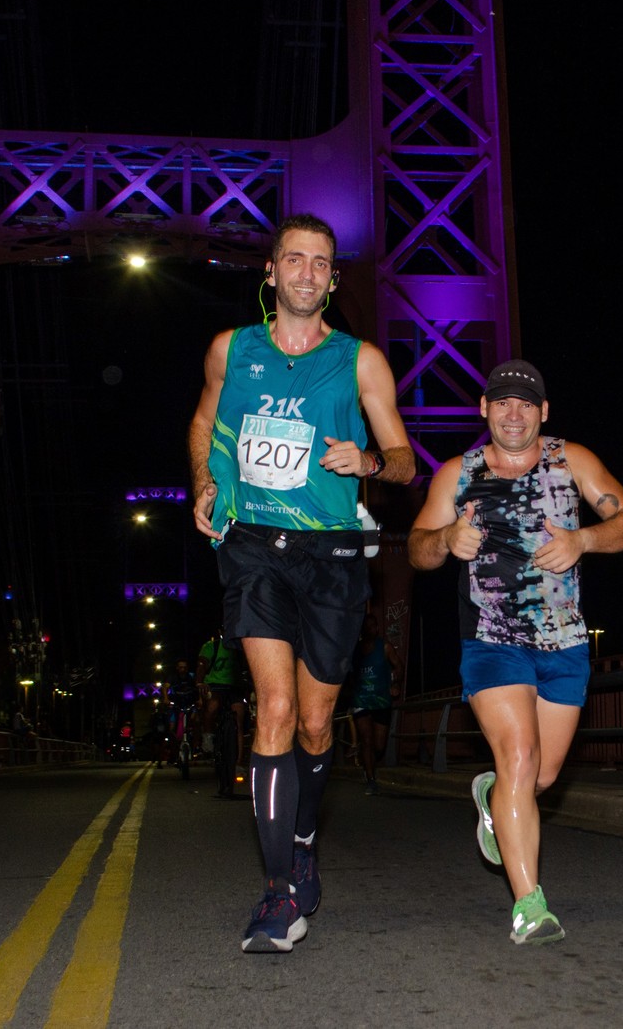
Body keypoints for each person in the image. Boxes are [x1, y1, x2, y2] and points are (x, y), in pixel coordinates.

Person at [189, 212, 414, 954]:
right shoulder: (231, 350)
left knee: (318, 725)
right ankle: (280, 890)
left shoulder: (361, 362)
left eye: (321, 263)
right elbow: (203, 423)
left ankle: (305, 839)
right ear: (270, 271)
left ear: (332, 278)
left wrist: (371, 464)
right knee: (276, 708)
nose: (308, 273)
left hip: (333, 554)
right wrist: (202, 483)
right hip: (254, 545)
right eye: (295, 260)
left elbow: (407, 460)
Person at [408, 358, 623, 945]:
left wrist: (584, 538)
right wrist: (446, 539)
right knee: (518, 757)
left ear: (543, 412)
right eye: (502, 403)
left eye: (526, 403)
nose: (514, 414)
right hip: (491, 638)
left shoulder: (574, 460)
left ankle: (491, 794)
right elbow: (415, 549)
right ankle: (529, 904)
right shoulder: (455, 474)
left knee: (540, 776)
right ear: (484, 410)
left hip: (563, 640)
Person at [346, 609, 401, 795]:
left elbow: (398, 666)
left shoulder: (384, 647)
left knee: (378, 745)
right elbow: (349, 674)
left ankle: (368, 760)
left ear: (377, 628)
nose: (369, 629)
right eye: (365, 627)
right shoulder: (355, 652)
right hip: (361, 700)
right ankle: (370, 779)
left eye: (372, 626)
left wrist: (394, 683)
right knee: (367, 740)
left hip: (381, 701)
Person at [197, 630, 251, 798]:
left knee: (239, 720)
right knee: (212, 706)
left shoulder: (240, 647)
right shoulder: (211, 646)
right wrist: (199, 682)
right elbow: (201, 664)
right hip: (215, 685)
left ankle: (239, 763)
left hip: (235, 686)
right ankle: (208, 736)